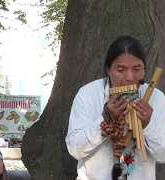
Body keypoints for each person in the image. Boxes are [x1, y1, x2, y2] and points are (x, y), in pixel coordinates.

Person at [65, 36, 165, 180]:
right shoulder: (88, 94)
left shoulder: (156, 98)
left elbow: (162, 155)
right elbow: (75, 149)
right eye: (121, 69)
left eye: (137, 69)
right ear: (108, 69)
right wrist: (105, 119)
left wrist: (147, 127)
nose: (129, 77)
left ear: (144, 69)